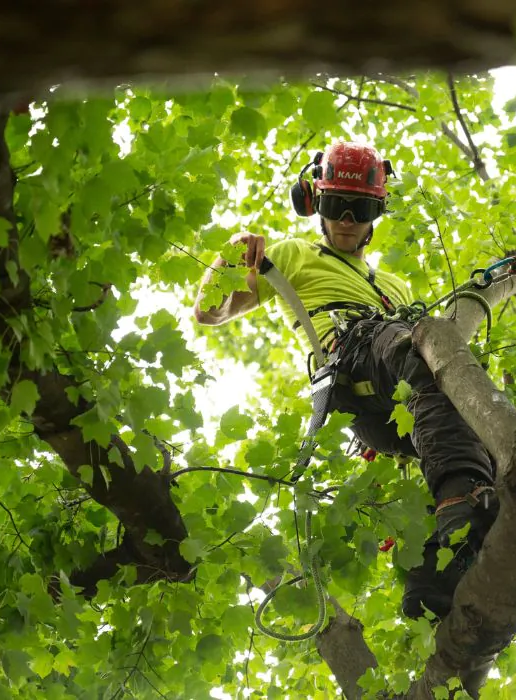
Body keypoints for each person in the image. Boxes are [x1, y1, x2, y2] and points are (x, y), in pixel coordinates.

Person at [194, 141, 498, 620]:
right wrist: (232, 260)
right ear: (315, 203)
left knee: (471, 421)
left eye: (362, 208)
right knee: (411, 344)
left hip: (396, 403)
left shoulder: (394, 286)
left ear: (378, 213)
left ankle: (432, 579)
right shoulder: (293, 253)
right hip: (352, 358)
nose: (349, 219)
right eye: (338, 205)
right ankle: (460, 500)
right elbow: (211, 311)